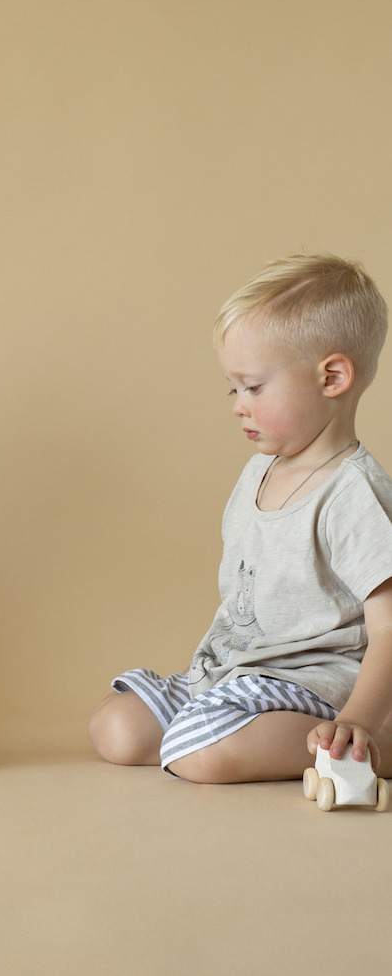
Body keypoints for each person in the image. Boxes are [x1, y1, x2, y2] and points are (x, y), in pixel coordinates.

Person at [89, 253, 392, 783]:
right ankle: (221, 724)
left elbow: (388, 626)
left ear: (333, 377)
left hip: (312, 684)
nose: (238, 405)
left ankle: (375, 748)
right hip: (232, 674)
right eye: (234, 389)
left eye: (253, 387)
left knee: (200, 757)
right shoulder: (257, 473)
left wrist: (361, 717)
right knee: (118, 729)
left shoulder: (353, 492)